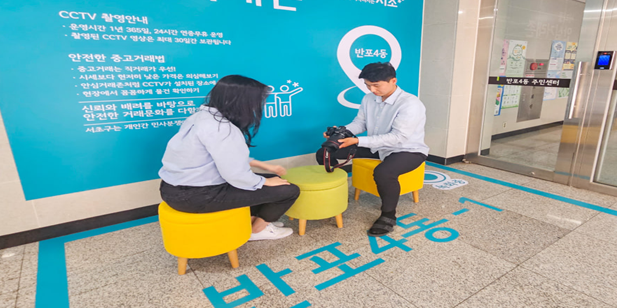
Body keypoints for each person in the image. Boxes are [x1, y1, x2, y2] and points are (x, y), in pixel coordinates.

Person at [159, 75, 300, 241]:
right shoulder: (221, 128)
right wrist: (264, 181)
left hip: (172, 189)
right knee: (289, 190)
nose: (259, 105)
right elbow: (235, 175)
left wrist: (266, 169)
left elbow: (224, 157)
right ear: (243, 101)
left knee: (271, 180)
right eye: (257, 100)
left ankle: (250, 221)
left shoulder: (199, 117)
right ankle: (256, 231)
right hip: (197, 196)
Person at [316, 62, 428, 236]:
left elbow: (398, 137)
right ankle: (337, 194)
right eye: (368, 85)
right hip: (376, 146)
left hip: (407, 150)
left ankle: (388, 215)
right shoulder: (369, 98)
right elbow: (360, 123)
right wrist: (341, 133)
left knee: (384, 173)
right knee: (325, 153)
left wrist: (357, 141)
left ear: (393, 81)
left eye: (376, 85)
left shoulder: (410, 104)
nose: (372, 90)